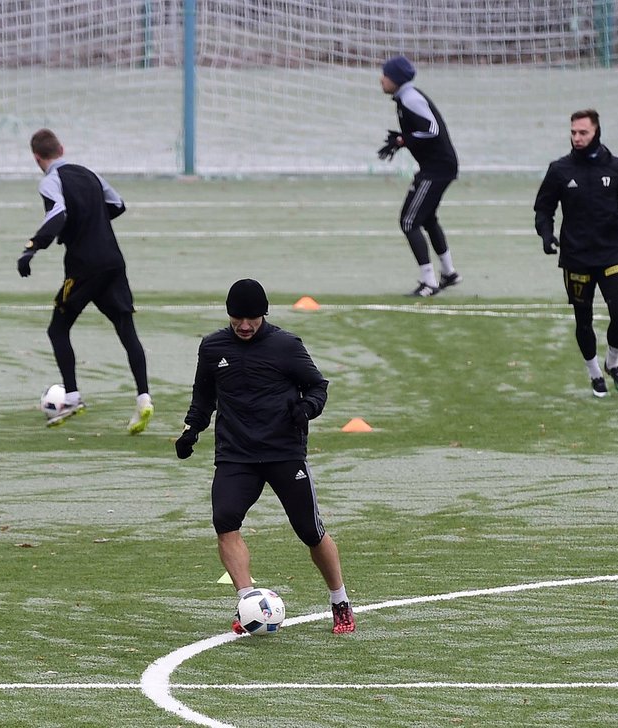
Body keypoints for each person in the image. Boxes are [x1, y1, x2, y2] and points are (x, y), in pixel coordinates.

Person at [175, 279, 356, 635]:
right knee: (225, 522)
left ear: (264, 315)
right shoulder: (213, 347)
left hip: (283, 451)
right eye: (237, 319)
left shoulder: (285, 345)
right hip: (236, 453)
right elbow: (203, 396)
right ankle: (247, 603)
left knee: (309, 530)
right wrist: (191, 429)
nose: (244, 326)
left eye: (252, 319)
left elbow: (317, 385)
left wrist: (308, 408)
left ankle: (340, 601)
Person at [18, 128, 153, 434]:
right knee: (126, 328)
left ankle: (72, 397)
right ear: (62, 148)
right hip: (113, 262)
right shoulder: (90, 174)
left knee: (58, 328)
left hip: (84, 267)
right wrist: (94, 222)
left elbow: (58, 215)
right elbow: (117, 205)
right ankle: (144, 398)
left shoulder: (50, 181)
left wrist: (32, 248)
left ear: (37, 157)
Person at [534, 109, 618, 398]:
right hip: (576, 257)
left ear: (596, 132)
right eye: (573, 132)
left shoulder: (617, 166)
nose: (577, 138)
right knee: (583, 321)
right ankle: (594, 372)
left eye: (583, 132)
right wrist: (546, 234)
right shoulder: (560, 170)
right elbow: (543, 208)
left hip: (612, 254)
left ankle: (613, 362)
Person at [377, 54, 462, 297]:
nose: (381, 79)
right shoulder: (405, 97)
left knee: (409, 221)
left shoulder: (411, 98)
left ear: (395, 78)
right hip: (438, 166)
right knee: (426, 218)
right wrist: (404, 142)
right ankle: (449, 273)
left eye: (385, 74)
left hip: (437, 169)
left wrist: (405, 139)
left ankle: (430, 282)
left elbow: (432, 130)